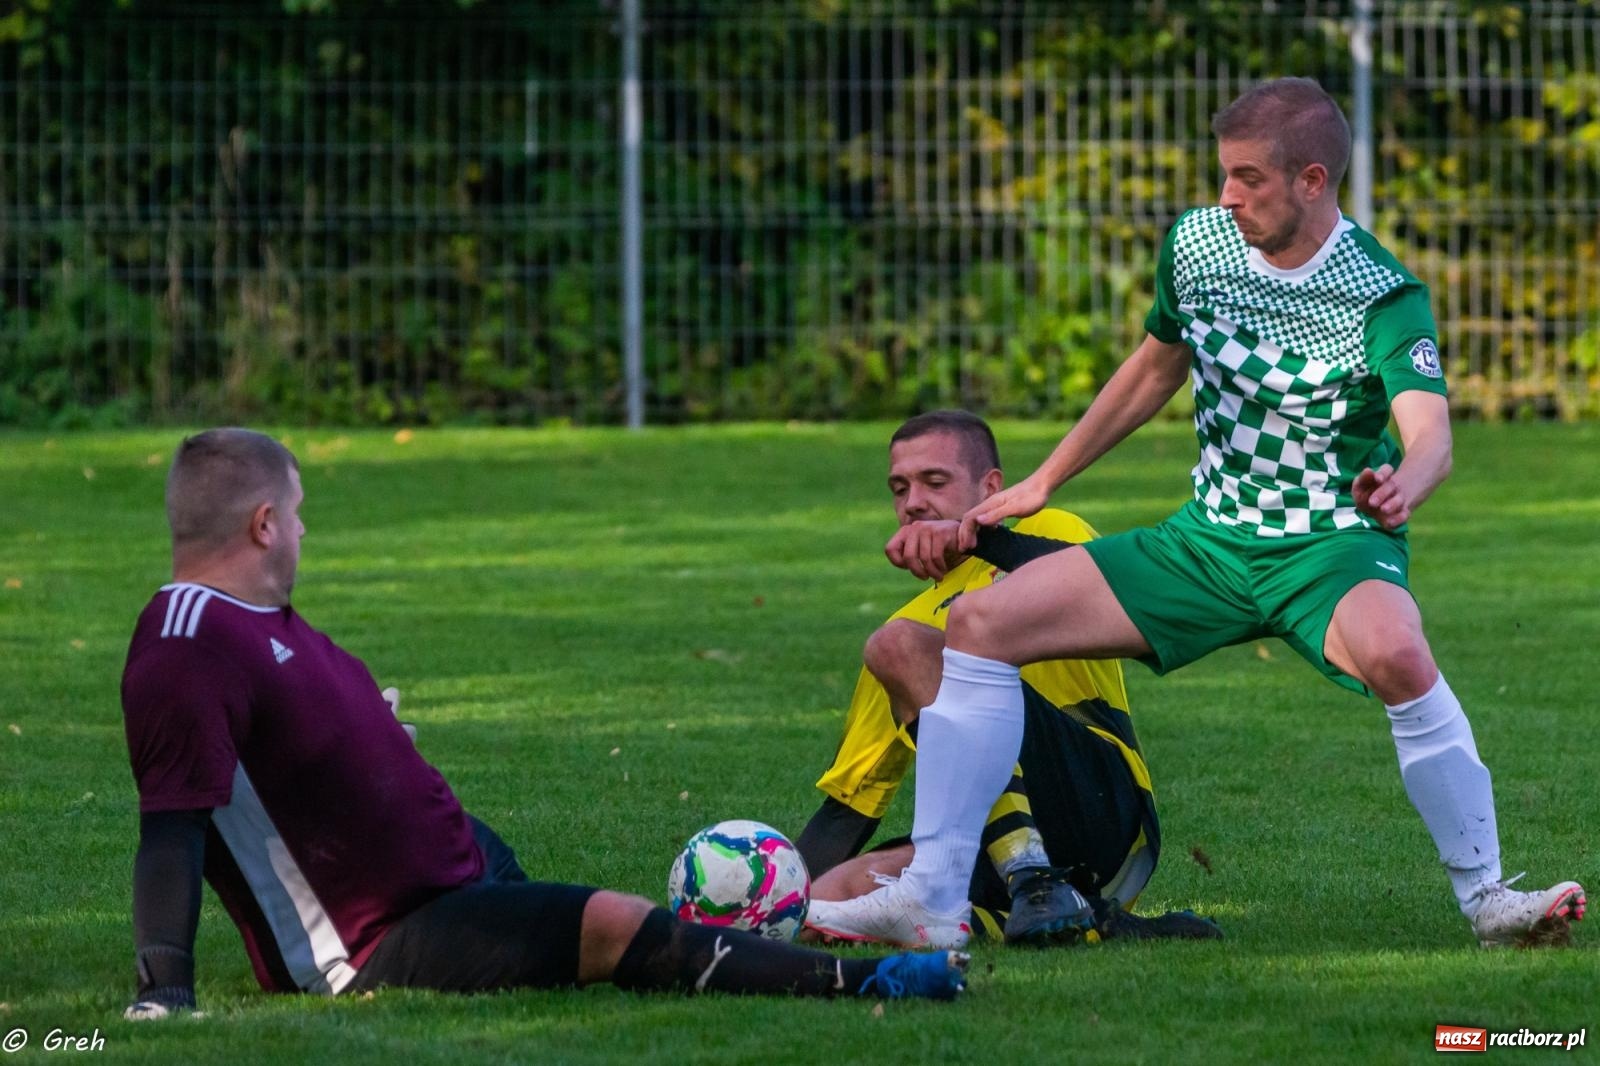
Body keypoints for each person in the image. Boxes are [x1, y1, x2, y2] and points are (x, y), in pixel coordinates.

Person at [807, 78, 1585, 950]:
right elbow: (1153, 369)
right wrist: (1042, 483)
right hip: (1206, 545)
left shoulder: (1381, 292)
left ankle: (1491, 903)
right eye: (1223, 174)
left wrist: (1408, 480)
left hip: (1326, 546)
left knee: (1400, 654)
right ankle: (937, 896)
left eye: (1248, 178)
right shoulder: (1199, 245)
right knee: (979, 623)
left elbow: (1431, 431)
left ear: (1313, 181)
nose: (1227, 196)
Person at [119, 428, 969, 1020]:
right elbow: (173, 823)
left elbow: (299, 757)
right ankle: (866, 987)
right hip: (379, 941)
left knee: (544, 918)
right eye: (297, 512)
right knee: (612, 925)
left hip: (447, 873)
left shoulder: (257, 621)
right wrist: (165, 989)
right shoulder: (190, 638)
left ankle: (548, 933)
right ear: (264, 523)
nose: (303, 529)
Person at [797, 411, 1218, 948]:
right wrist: (767, 904)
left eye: (935, 482)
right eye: (899, 488)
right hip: (987, 843)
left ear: (990, 487)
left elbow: (1133, 610)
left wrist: (979, 540)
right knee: (833, 903)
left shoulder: (1047, 532)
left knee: (898, 644)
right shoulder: (907, 628)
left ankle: (1034, 876)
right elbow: (848, 811)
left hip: (1100, 807)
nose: (913, 503)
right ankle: (1087, 917)